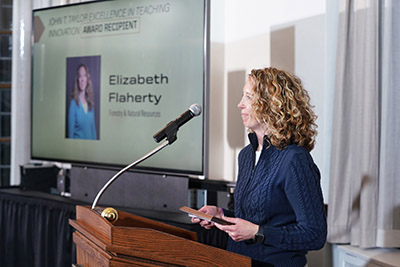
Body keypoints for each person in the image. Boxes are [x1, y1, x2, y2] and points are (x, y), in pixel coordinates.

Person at [192, 67, 327, 266]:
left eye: (248, 97)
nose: (240, 104)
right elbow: (248, 220)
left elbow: (315, 235)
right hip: (237, 261)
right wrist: (221, 216)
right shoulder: (246, 156)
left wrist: (258, 233)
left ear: (272, 104)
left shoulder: (294, 159)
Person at [68, 63, 97, 140]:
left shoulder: (91, 104)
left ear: (87, 79)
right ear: (77, 79)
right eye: (80, 76)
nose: (82, 80)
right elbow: (70, 137)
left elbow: (93, 131)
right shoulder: (73, 104)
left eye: (84, 76)